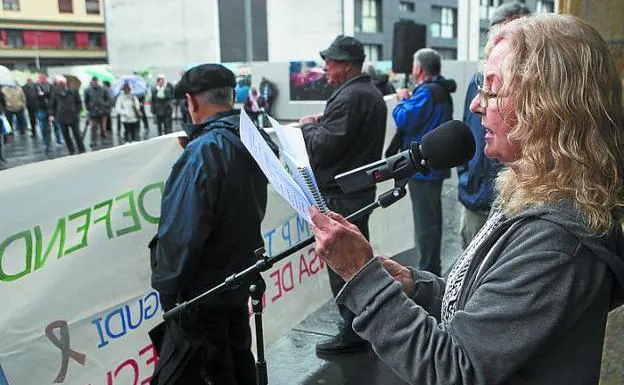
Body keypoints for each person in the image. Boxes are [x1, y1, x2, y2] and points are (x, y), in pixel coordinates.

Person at [308, 13, 624, 385]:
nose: (476, 105)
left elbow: (454, 372)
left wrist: (364, 279)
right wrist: (413, 285)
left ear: (549, 107)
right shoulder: (534, 196)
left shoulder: (556, 244)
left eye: (492, 90)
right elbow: (478, 309)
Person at [150, 64, 269, 385]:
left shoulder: (203, 152)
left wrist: (167, 290)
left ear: (191, 102)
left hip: (203, 289)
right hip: (237, 275)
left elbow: (181, 235)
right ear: (231, 98)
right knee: (238, 355)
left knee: (212, 369)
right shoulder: (249, 136)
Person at [298, 35, 387, 355]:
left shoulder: (350, 97)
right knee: (356, 261)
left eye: (331, 63)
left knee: (344, 265)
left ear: (347, 66)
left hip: (342, 196)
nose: (326, 69)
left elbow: (323, 147)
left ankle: (353, 330)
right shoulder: (367, 93)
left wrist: (306, 127)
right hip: (356, 192)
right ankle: (359, 324)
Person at [457, 1, 530, 250]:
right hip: (478, 197)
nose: (477, 105)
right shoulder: (475, 80)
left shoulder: (548, 230)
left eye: (494, 89)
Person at [391, 48, 456, 275]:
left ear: (418, 69)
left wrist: (401, 101)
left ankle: (428, 270)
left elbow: (403, 118)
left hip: (422, 169)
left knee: (425, 222)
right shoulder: (441, 91)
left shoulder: (426, 93)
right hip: (435, 167)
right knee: (432, 219)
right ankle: (432, 266)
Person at [49, 75, 85, 155]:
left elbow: (79, 102)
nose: (61, 84)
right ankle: (71, 150)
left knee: (77, 134)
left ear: (65, 83)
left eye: (62, 83)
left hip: (73, 116)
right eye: (59, 83)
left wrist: (77, 112)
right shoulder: (55, 92)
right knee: (66, 136)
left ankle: (81, 149)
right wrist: (51, 114)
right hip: (62, 117)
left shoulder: (73, 91)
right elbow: (52, 104)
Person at [83, 77, 110, 147]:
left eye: (95, 81)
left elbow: (108, 98)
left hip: (102, 111)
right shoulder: (88, 90)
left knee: (103, 128)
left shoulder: (103, 89)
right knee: (93, 127)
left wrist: (105, 105)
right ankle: (93, 141)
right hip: (93, 112)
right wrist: (89, 108)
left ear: (97, 81)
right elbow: (86, 100)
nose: (94, 83)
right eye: (93, 81)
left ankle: (104, 140)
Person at [35, 73, 53, 152]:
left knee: (55, 126)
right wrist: (46, 94)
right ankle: (45, 142)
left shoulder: (50, 85)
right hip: (41, 109)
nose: (42, 79)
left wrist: (44, 94)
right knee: (43, 127)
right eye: (41, 78)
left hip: (51, 109)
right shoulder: (36, 87)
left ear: (46, 78)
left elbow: (51, 95)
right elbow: (37, 96)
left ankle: (57, 140)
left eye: (43, 78)